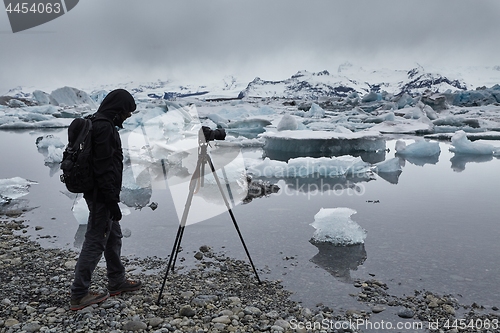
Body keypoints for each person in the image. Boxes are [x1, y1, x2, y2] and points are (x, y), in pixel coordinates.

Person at [70, 89, 142, 311]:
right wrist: (111, 201)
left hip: (100, 193)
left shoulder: (97, 122)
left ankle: (116, 280)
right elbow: (103, 169)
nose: (128, 117)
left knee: (113, 235)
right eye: (127, 112)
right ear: (118, 109)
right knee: (95, 240)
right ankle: (79, 294)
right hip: (102, 195)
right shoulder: (104, 129)